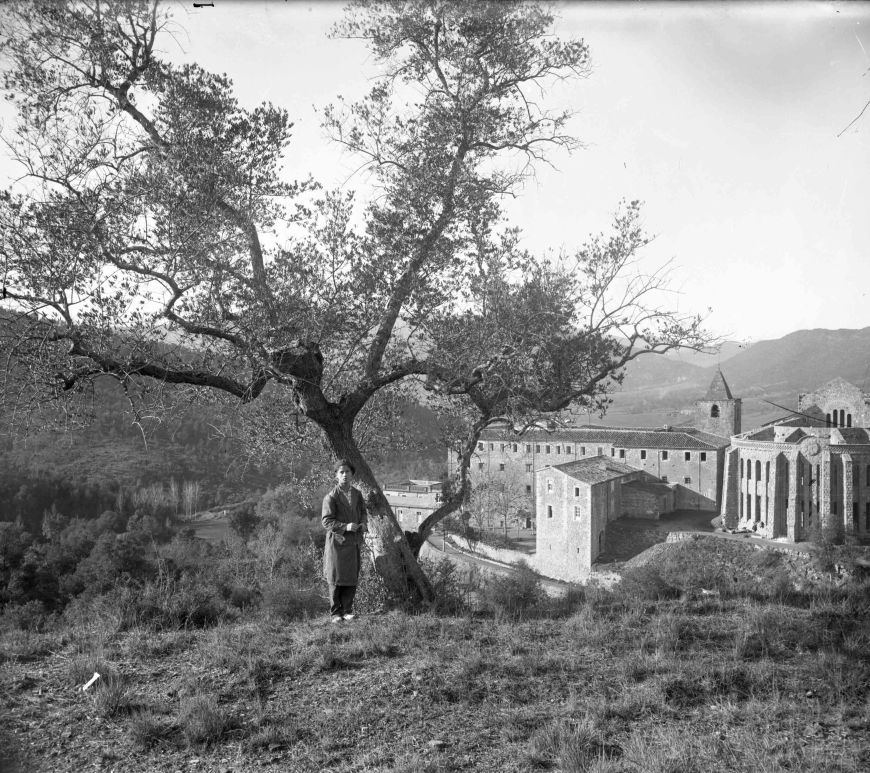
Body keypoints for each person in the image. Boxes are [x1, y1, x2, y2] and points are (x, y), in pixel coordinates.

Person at [321, 458, 368, 623]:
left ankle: (347, 611)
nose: (345, 475)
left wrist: (363, 523)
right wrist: (345, 526)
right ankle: (335, 613)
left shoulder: (357, 494)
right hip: (337, 543)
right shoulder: (331, 497)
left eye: (348, 471)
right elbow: (326, 521)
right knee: (336, 577)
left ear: (352, 474)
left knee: (351, 576)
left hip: (353, 541)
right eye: (341, 472)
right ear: (336, 475)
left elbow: (363, 511)